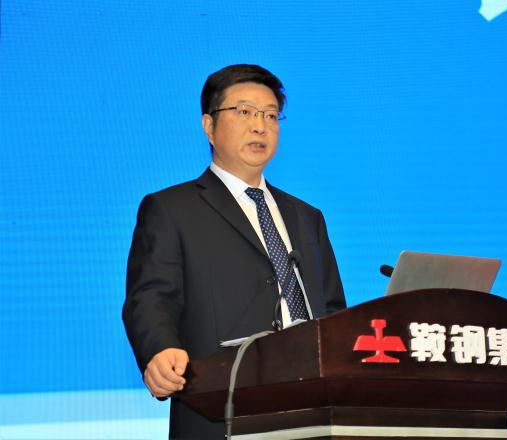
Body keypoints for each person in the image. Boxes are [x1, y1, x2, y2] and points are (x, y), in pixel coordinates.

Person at [122, 64, 347, 438]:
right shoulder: (171, 209)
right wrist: (159, 350)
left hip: (313, 412)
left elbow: (333, 310)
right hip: (221, 410)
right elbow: (151, 297)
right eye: (244, 112)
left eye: (270, 115)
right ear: (209, 126)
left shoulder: (308, 217)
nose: (260, 126)